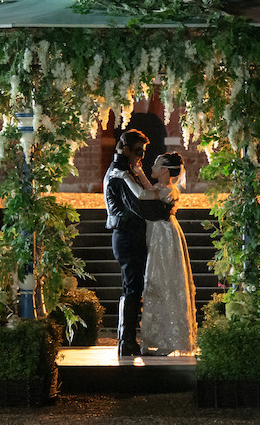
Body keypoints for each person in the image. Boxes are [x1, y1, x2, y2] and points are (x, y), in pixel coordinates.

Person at [104, 130, 172, 357]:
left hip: (129, 234)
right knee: (132, 289)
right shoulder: (119, 173)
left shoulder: (125, 171)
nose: (141, 157)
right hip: (126, 234)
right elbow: (139, 205)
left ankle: (127, 340)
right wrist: (165, 209)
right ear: (126, 149)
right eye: (138, 151)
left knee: (133, 288)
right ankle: (126, 342)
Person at [140, 152, 197, 356]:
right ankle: (158, 337)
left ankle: (168, 338)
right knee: (157, 279)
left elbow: (145, 193)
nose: (151, 167)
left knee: (164, 279)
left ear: (164, 169)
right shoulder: (161, 189)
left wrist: (134, 176)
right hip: (159, 233)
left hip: (164, 236)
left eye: (155, 164)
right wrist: (139, 173)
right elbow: (149, 190)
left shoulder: (167, 191)